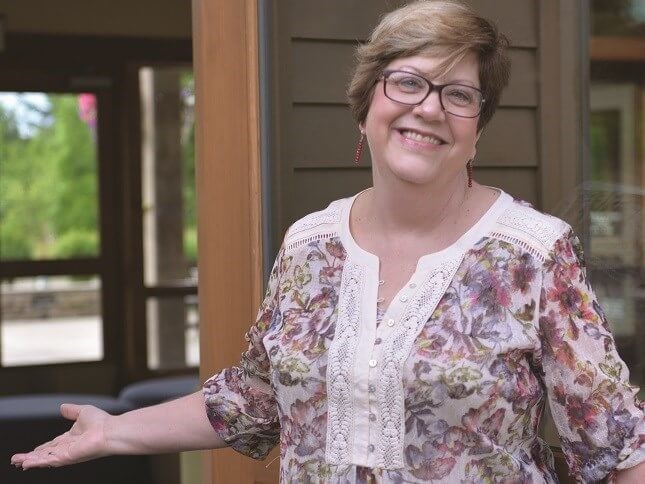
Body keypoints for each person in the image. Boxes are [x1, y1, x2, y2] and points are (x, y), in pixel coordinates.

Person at [10, 1, 645, 482]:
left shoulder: (532, 253)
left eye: (459, 95)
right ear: (367, 104)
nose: (429, 108)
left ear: (477, 129)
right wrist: (114, 431)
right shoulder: (310, 246)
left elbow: (617, 446)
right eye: (407, 82)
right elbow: (254, 399)